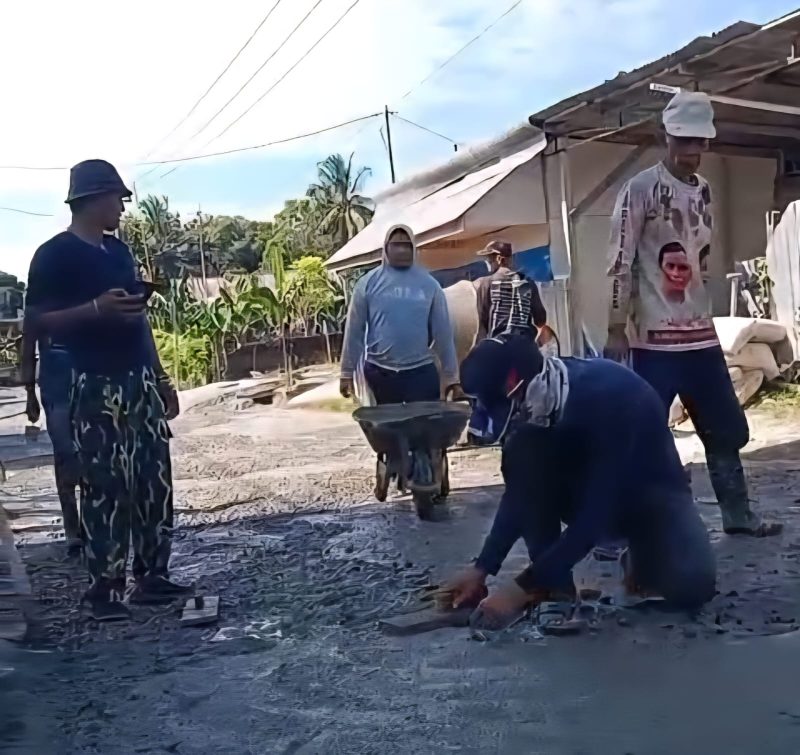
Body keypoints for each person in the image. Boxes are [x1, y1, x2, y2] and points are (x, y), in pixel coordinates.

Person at [445, 336, 717, 627]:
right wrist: (482, 568)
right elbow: (519, 496)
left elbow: (596, 516)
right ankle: (556, 590)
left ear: (526, 385)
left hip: (650, 495)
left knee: (692, 586)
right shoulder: (535, 407)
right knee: (523, 457)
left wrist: (520, 588)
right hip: (588, 489)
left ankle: (643, 555)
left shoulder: (613, 398)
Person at [604, 91, 779, 537]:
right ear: (665, 136)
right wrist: (615, 326)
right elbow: (620, 260)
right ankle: (627, 527)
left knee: (725, 428)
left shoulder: (703, 191)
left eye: (699, 141)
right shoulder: (640, 189)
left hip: (700, 336)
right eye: (683, 140)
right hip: (653, 341)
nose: (691, 150)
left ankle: (737, 515)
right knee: (640, 434)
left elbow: (701, 264)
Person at [25, 159, 189, 621]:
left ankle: (152, 576)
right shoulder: (53, 256)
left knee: (154, 479)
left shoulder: (118, 253)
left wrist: (160, 377)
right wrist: (94, 309)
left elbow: (138, 319)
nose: (122, 207)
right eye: (117, 198)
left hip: (138, 379)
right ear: (93, 199)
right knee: (105, 486)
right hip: (93, 382)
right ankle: (104, 589)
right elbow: (35, 322)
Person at [339, 224, 459, 497]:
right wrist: (346, 373)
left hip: (421, 371)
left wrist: (452, 378)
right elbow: (354, 331)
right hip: (380, 373)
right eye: (397, 244)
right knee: (388, 432)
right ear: (385, 248)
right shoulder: (368, 284)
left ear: (414, 248)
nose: (402, 250)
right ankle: (389, 463)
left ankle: (437, 469)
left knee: (428, 432)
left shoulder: (429, 285)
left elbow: (443, 335)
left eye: (407, 245)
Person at [469, 241, 552, 444]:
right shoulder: (528, 282)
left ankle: (481, 429)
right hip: (525, 347)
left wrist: (479, 351)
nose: (488, 263)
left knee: (488, 389)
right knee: (532, 390)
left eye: (489, 259)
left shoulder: (486, 283)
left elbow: (483, 321)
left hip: (498, 346)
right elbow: (540, 318)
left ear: (499, 259)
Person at [19, 331, 82, 557]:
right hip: (55, 389)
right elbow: (27, 347)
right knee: (64, 452)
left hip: (88, 383)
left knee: (90, 451)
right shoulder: (39, 307)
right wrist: (30, 393)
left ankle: (91, 522)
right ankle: (72, 527)